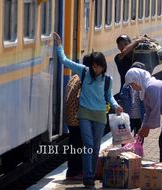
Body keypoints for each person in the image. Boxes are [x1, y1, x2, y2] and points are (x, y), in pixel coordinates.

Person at [53, 32, 123, 187]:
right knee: (88, 145)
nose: (96, 69)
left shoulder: (107, 80)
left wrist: (115, 105)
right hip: (84, 114)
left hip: (99, 115)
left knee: (96, 147)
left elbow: (109, 96)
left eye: (99, 66)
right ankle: (88, 177)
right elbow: (65, 61)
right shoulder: (84, 72)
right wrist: (59, 46)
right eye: (94, 66)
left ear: (103, 66)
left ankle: (89, 174)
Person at [125, 68, 162, 162]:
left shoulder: (152, 87)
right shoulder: (145, 90)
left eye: (132, 84)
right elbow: (148, 112)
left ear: (137, 80)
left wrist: (147, 128)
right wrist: (144, 126)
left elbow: (155, 111)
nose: (132, 87)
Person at [64, 54, 90, 180]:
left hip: (71, 117)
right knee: (79, 147)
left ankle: (72, 171)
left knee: (73, 145)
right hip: (78, 118)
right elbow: (81, 98)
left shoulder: (74, 77)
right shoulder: (84, 79)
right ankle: (76, 172)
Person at [120, 62, 146, 137]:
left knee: (139, 139)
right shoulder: (126, 87)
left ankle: (137, 149)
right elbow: (122, 100)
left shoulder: (144, 87)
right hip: (128, 117)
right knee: (124, 140)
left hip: (140, 117)